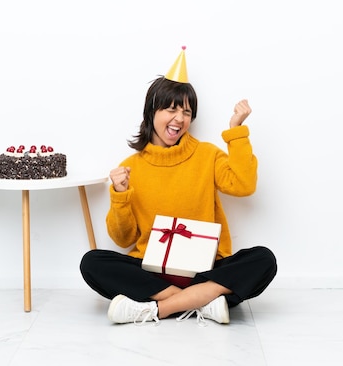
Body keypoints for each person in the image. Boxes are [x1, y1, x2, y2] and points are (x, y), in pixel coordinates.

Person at [79, 47, 277, 325]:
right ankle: (203, 302)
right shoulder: (130, 166)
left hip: (205, 269)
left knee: (263, 260)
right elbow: (123, 239)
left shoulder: (207, 155)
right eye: (171, 109)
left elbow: (244, 185)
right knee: (92, 263)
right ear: (152, 112)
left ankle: (158, 309)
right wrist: (120, 195)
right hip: (153, 272)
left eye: (186, 111)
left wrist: (236, 132)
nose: (180, 118)